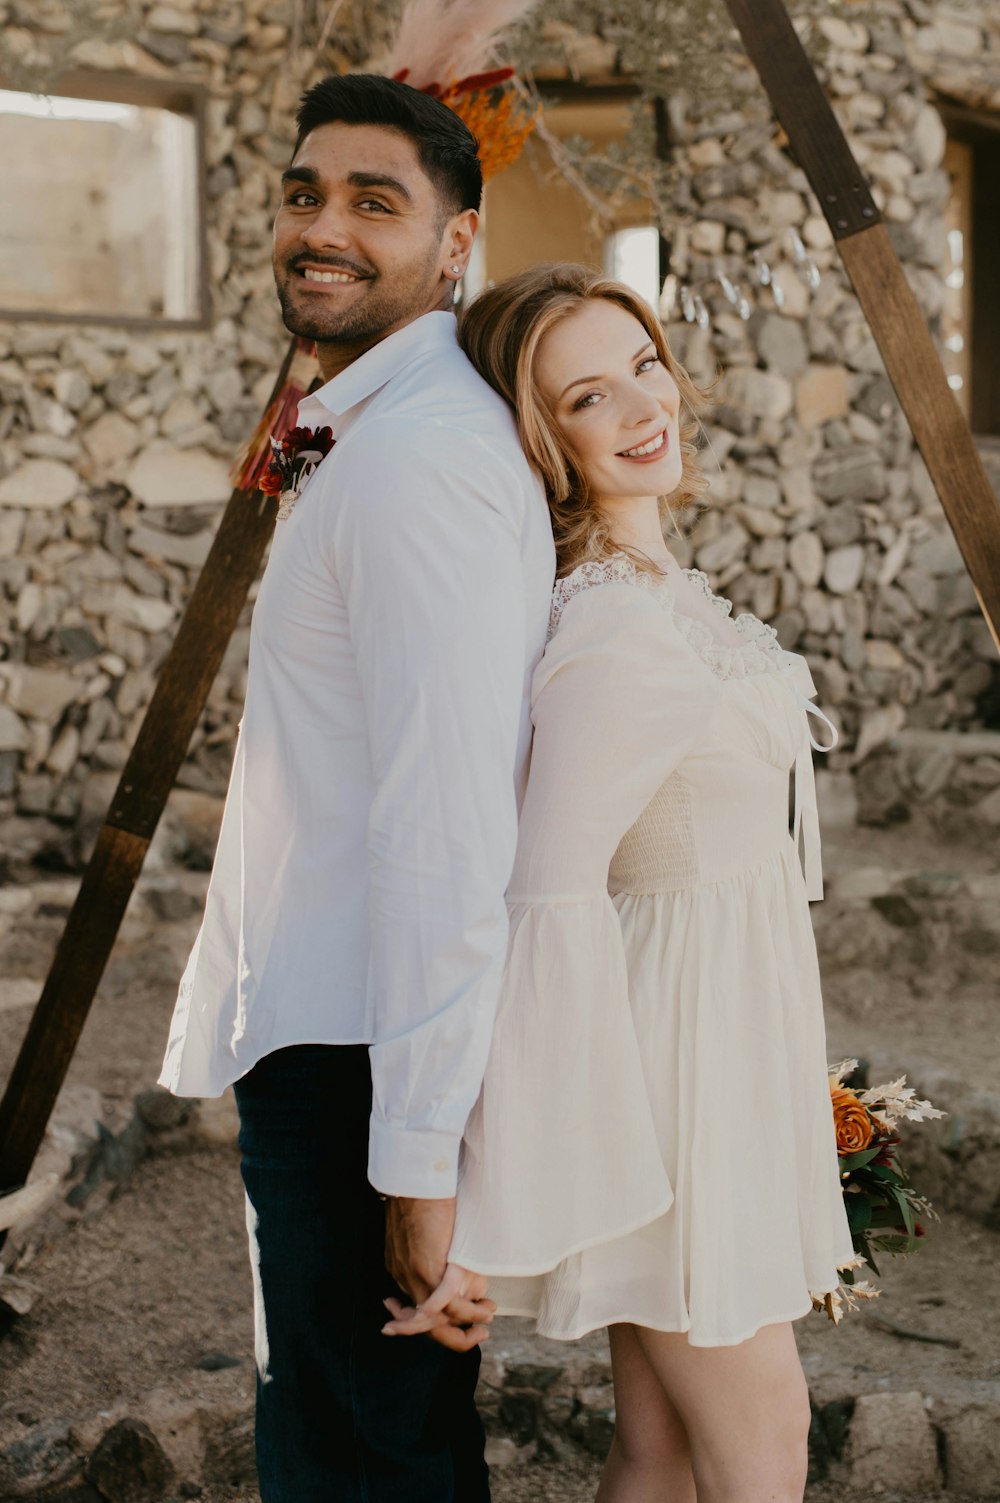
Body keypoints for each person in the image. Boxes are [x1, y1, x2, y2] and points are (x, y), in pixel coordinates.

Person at [383, 263, 856, 1503]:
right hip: (670, 1085)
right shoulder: (611, 625)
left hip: (720, 1051)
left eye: (642, 365)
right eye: (589, 396)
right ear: (544, 439)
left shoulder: (656, 594)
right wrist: (541, 1156)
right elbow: (547, 893)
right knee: (763, 1449)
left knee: (658, 1448)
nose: (644, 407)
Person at [158, 76, 554, 1501]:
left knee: (363, 1465)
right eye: (303, 192)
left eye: (373, 203)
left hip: (359, 1058)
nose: (321, 227)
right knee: (342, 1441)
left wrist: (419, 1153)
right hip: (332, 1036)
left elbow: (448, 819)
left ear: (458, 245)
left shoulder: (419, 462)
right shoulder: (372, 424)